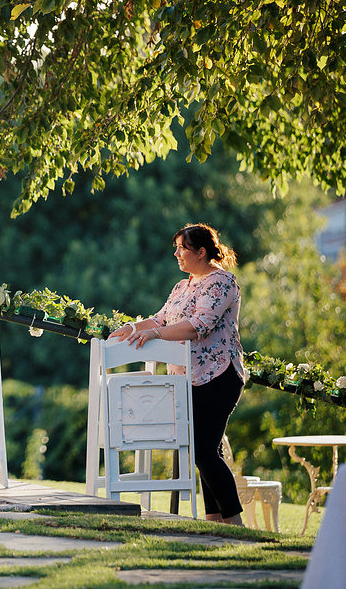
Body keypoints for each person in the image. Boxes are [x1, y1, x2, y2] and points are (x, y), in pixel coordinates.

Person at [109, 223, 247, 525]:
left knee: (203, 449)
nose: (176, 253)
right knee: (204, 451)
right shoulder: (182, 286)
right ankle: (215, 521)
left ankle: (235, 523)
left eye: (182, 248)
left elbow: (199, 326)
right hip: (186, 380)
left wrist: (155, 334)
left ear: (201, 251)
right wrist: (131, 329)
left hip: (218, 376)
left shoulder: (222, 282)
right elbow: (161, 318)